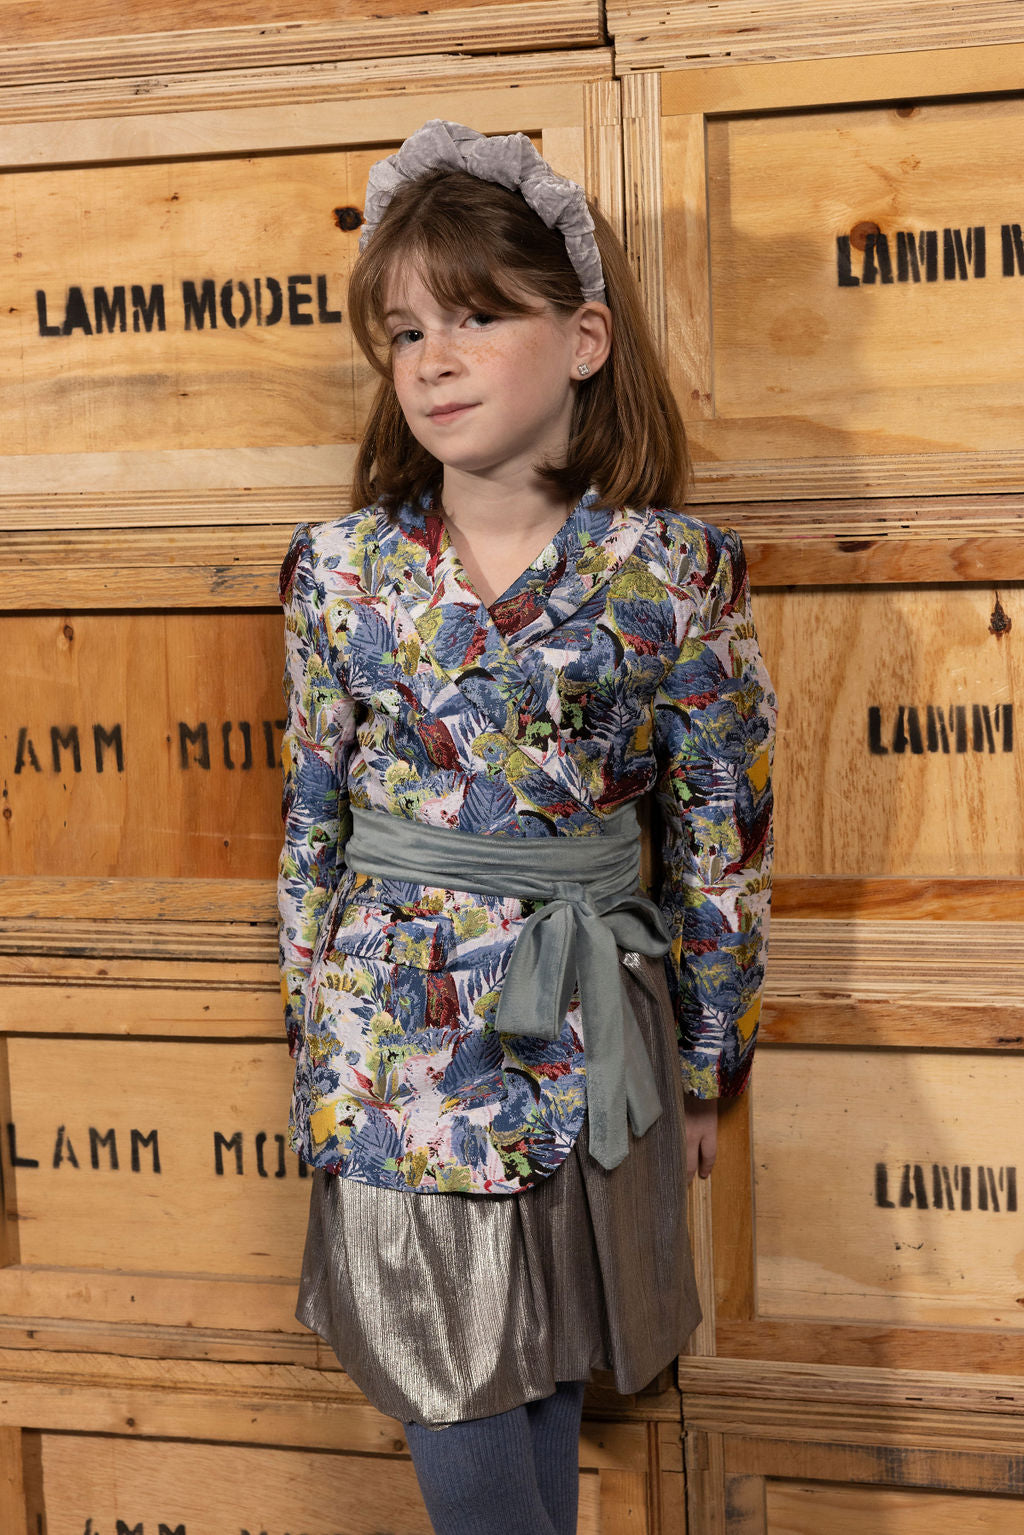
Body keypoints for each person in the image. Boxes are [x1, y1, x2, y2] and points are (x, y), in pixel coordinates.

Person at [277, 119, 776, 1535]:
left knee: (544, 1362)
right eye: (405, 332)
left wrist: (705, 1062)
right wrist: (314, 1037)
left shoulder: (671, 574)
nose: (433, 359)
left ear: (585, 339)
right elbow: (311, 819)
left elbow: (722, 831)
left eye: (477, 318)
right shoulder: (339, 571)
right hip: (399, 1049)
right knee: (455, 1389)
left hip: (592, 1036)